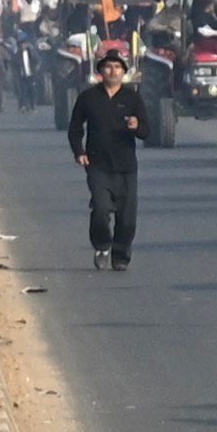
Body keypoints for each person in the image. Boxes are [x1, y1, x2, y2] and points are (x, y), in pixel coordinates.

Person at [65, 50, 151, 269]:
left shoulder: (132, 98)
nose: (112, 71)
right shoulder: (88, 97)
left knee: (127, 218)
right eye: (108, 66)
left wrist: (136, 126)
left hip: (126, 167)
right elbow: (75, 128)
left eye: (117, 67)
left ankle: (120, 256)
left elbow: (147, 130)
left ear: (124, 72)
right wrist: (79, 152)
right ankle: (102, 245)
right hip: (97, 165)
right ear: (101, 71)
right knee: (101, 209)